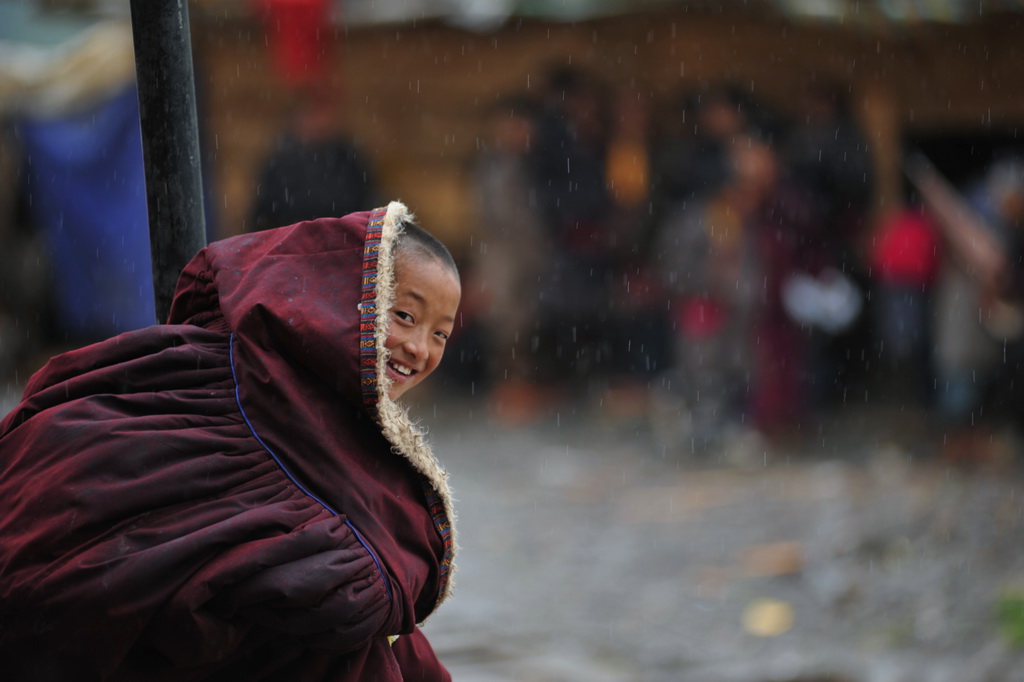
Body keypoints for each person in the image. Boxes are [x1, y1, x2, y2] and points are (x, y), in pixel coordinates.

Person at [0, 201, 460, 680]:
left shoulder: (351, 437)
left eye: (441, 335)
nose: (418, 347)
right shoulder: (223, 382)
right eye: (404, 315)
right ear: (348, 299)